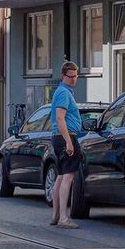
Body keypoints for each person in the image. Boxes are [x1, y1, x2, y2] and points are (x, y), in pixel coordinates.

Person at [50, 61, 83, 229]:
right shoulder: (63, 93)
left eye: (76, 76)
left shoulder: (62, 91)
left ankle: (56, 215)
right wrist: (69, 141)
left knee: (61, 176)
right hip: (66, 136)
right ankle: (63, 217)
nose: (74, 79)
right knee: (67, 177)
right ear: (64, 76)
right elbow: (59, 118)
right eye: (71, 76)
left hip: (60, 137)